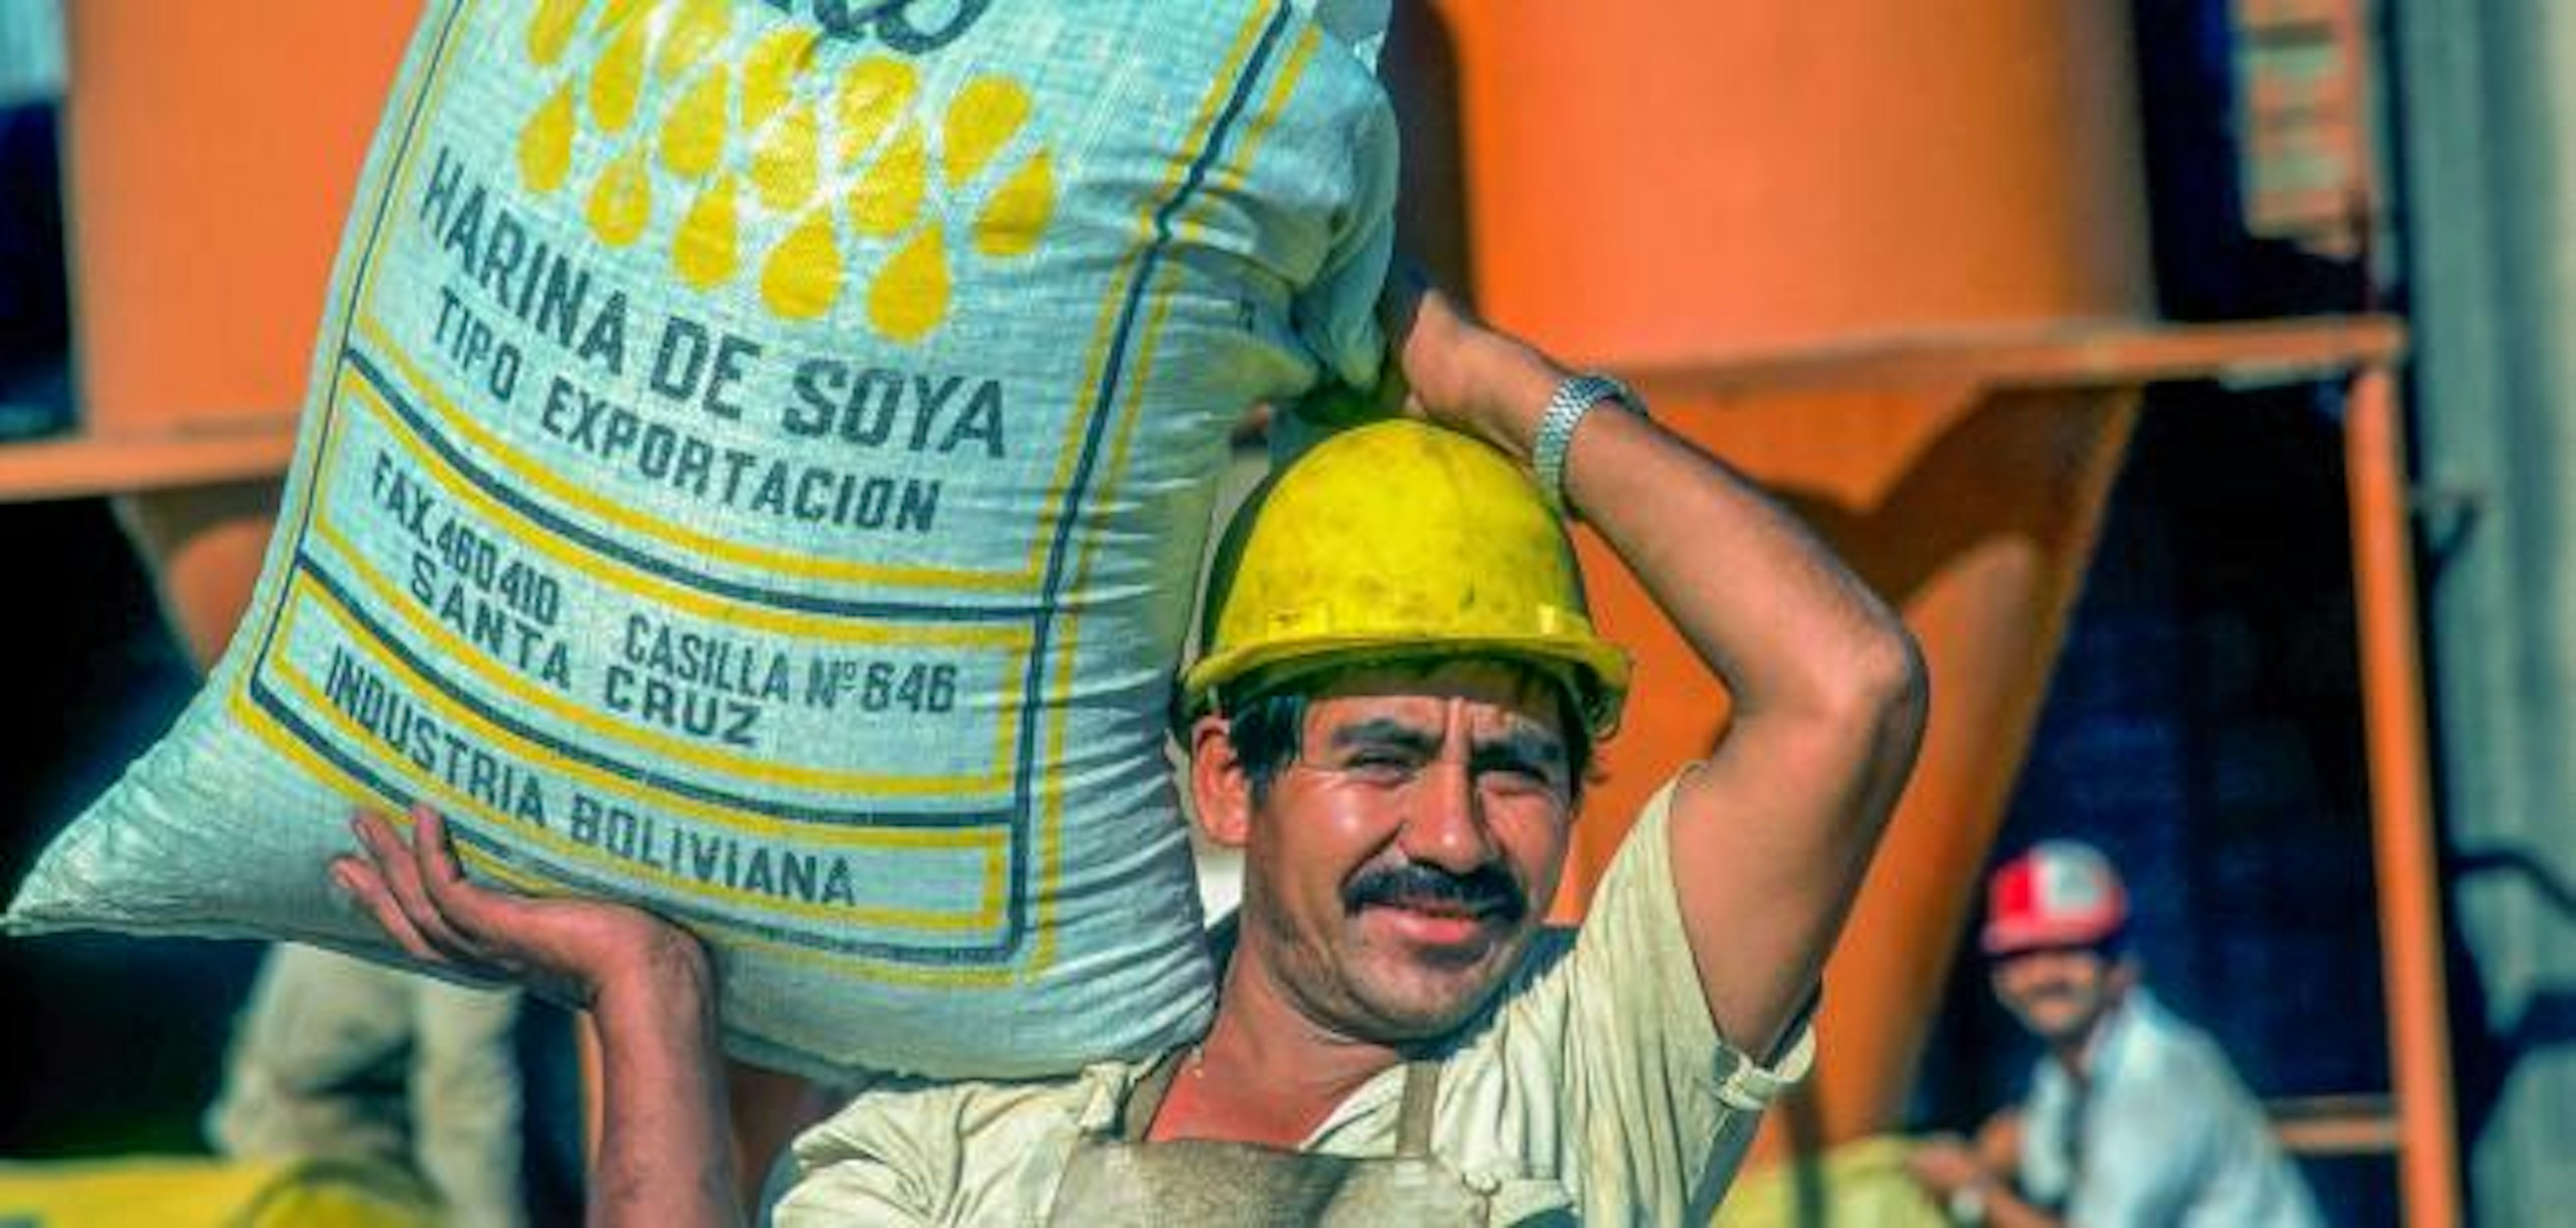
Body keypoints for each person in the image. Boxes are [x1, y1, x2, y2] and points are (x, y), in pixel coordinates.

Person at [329, 276, 1930, 1225]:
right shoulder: (972, 1139)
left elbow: (1845, 682)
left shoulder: (1586, 1064)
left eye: (1513, 765)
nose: (1452, 831)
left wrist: (1476, 375)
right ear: (1228, 774)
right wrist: (654, 1001)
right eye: (1381, 752)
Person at [1906, 840, 2324, 1227]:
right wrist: (1979, 1158)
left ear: (2121, 966)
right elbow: (2032, 1140)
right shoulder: (2069, 1068)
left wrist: (1974, 1192)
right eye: (2023, 954)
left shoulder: (2157, 1078)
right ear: (1998, 979)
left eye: (2070, 950)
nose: (2045, 974)